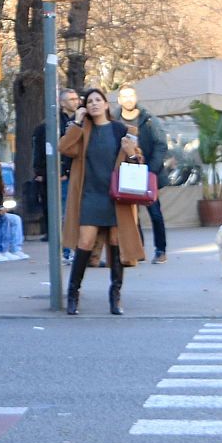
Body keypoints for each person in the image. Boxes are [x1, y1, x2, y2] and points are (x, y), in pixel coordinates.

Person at [59, 88, 145, 315]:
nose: (94, 104)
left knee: (116, 245)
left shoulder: (121, 131)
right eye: (89, 101)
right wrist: (76, 122)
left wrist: (132, 153)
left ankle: (115, 297)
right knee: (85, 243)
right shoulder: (82, 129)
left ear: (107, 104)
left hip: (116, 197)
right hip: (89, 195)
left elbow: (138, 164)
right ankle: (73, 294)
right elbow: (64, 149)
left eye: (98, 100)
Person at [115, 84, 168, 263]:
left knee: (155, 212)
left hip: (147, 173)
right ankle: (138, 250)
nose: (128, 99)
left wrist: (150, 169)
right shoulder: (113, 120)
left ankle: (161, 250)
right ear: (119, 100)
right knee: (131, 215)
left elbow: (161, 145)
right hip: (124, 173)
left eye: (131, 95)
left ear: (136, 97)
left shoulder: (149, 120)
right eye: (125, 96)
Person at [32, 88, 79, 263]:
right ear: (62, 102)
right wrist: (53, 172)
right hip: (63, 175)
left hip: (79, 173)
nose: (75, 102)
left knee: (77, 213)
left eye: (76, 98)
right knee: (65, 214)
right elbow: (45, 151)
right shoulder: (51, 125)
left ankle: (77, 249)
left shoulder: (81, 120)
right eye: (71, 99)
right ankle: (67, 251)